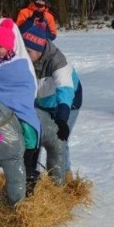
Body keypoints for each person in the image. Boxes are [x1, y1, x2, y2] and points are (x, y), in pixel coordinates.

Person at [0, 19, 41, 187]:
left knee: (29, 129)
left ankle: (27, 168)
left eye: (0, 46)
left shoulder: (19, 63)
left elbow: (26, 85)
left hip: (18, 105)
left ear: (9, 47)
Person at [22, 24, 82, 184]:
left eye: (29, 51)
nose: (25, 55)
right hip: (41, 102)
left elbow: (66, 90)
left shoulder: (57, 61)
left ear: (40, 49)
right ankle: (30, 174)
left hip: (66, 103)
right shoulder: (24, 59)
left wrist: (62, 119)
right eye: (23, 50)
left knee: (59, 139)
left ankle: (62, 179)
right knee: (34, 135)